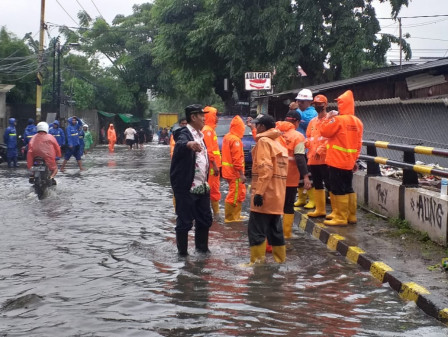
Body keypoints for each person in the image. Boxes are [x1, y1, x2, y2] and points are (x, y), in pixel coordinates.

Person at [170, 104, 213, 256]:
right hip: (186, 187)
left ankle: (202, 251)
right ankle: (182, 256)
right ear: (193, 117)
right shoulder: (185, 133)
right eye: (202, 115)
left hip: (202, 185)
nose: (204, 118)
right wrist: (189, 144)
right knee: (185, 221)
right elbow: (180, 143)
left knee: (205, 219)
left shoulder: (200, 135)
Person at [247, 114, 289, 264]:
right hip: (277, 196)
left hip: (265, 195)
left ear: (262, 127)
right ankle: (280, 261)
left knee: (256, 231)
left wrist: (259, 192)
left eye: (257, 125)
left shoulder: (264, 142)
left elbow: (266, 169)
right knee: (275, 231)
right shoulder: (278, 143)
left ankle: (257, 263)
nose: (256, 127)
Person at [320, 90, 363, 226]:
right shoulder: (357, 122)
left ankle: (340, 217)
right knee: (348, 188)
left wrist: (327, 118)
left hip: (337, 160)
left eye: (339, 103)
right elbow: (359, 143)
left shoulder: (338, 120)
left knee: (337, 188)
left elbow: (324, 132)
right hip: (349, 161)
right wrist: (355, 159)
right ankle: (351, 216)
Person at [276, 111, 311, 238]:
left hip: (274, 176)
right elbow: (300, 158)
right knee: (288, 205)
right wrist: (306, 176)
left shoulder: (275, 133)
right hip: (290, 177)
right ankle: (286, 234)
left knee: (274, 205)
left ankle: (272, 233)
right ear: (296, 122)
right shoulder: (298, 136)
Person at [290, 88, 318, 209]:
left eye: (302, 101)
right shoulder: (299, 111)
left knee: (309, 175)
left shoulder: (312, 113)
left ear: (309, 102)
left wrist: (295, 110)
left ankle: (312, 199)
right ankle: (301, 198)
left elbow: (305, 120)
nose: (299, 103)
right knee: (299, 175)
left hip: (308, 149)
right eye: (298, 101)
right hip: (298, 147)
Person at [306, 94, 331, 218]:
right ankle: (320, 210)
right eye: (315, 105)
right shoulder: (313, 122)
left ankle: (336, 211)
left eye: (319, 104)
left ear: (325, 105)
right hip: (313, 158)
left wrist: (320, 150)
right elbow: (309, 138)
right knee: (317, 183)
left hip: (325, 158)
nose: (317, 107)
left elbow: (330, 138)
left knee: (330, 184)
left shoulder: (330, 120)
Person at [221, 115, 247, 223]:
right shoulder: (235, 140)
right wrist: (241, 173)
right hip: (234, 173)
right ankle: (230, 218)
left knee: (239, 192)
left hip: (229, 171)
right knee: (234, 194)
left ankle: (236, 215)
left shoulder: (228, 136)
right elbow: (237, 159)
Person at [202, 106, 222, 217]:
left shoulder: (211, 130)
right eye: (216, 115)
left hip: (214, 166)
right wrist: (214, 165)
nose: (218, 118)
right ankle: (205, 213)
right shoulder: (207, 131)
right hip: (211, 166)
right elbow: (209, 150)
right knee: (208, 189)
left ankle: (216, 214)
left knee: (214, 189)